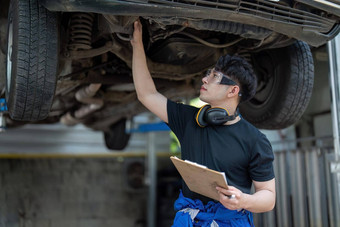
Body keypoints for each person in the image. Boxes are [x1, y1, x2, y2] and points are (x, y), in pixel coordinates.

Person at [130, 19, 276, 227]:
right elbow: (146, 94)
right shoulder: (189, 120)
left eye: (215, 76)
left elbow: (268, 197)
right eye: (208, 73)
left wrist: (244, 200)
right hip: (190, 220)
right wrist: (136, 44)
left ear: (232, 91)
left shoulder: (254, 140)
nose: (205, 79)